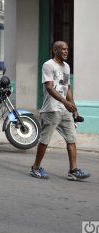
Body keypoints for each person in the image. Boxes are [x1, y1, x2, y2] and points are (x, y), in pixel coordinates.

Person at [30, 41, 90, 181]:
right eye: (62, 49)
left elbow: (67, 87)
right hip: (51, 109)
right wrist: (65, 102)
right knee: (45, 140)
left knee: (71, 139)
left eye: (67, 49)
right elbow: (49, 88)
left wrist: (73, 107)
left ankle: (73, 170)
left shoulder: (67, 67)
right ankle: (35, 167)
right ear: (55, 50)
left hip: (64, 109)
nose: (66, 51)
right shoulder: (48, 65)